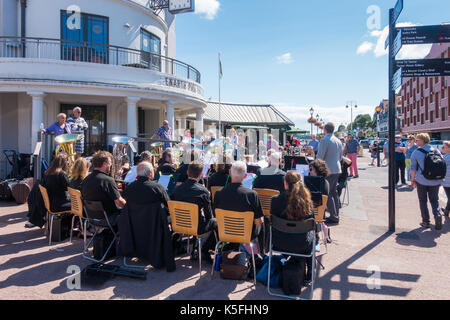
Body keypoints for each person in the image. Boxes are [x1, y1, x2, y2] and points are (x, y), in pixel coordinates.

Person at [270, 171, 315, 285]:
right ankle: (309, 273)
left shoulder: (275, 200)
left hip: (279, 243)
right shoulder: (307, 202)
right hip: (302, 245)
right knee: (312, 236)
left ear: (285, 183)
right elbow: (312, 225)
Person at [171, 163, 217, 263]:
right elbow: (209, 215)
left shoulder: (177, 189)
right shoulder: (203, 191)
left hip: (178, 225)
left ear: (187, 172)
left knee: (199, 219)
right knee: (214, 222)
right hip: (196, 227)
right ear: (200, 175)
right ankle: (205, 249)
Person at [214, 161, 264, 241]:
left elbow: (216, 216)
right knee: (262, 221)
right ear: (245, 176)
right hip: (246, 234)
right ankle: (260, 251)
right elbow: (258, 222)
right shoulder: (252, 195)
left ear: (230, 173)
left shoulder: (218, 193)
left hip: (225, 232)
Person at [410, 133, 443, 230]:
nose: (416, 141)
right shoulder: (436, 150)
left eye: (417, 139)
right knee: (434, 200)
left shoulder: (416, 152)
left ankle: (426, 221)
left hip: (422, 180)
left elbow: (413, 169)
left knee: (422, 200)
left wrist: (412, 180)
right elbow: (441, 165)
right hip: (435, 180)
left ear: (422, 140)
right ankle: (437, 215)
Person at [81, 151, 126, 218]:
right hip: (109, 218)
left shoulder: (85, 180)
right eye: (110, 163)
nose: (111, 165)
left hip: (92, 218)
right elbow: (119, 202)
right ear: (105, 164)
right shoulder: (108, 180)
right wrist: (131, 207)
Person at [317, 122, 343, 225]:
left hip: (328, 170)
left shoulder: (324, 140)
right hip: (337, 169)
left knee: (327, 193)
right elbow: (341, 157)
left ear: (325, 129)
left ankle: (333, 216)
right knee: (334, 193)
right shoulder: (338, 141)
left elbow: (320, 157)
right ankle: (336, 214)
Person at [441, 141, 450, 217]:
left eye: (444, 147)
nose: (442, 148)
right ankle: (446, 210)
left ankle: (446, 210)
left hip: (447, 181)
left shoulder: (445, 158)